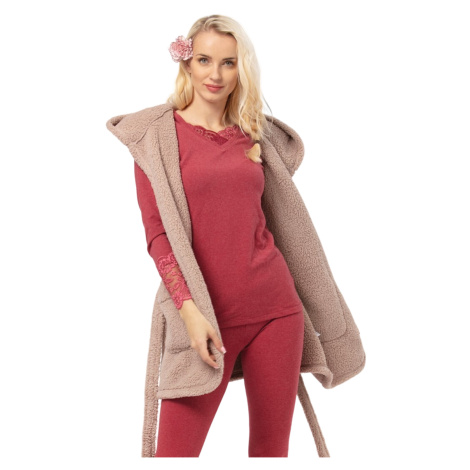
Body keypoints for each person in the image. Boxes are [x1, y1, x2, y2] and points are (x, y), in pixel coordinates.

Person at [106, 14, 366, 459]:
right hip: (204, 317)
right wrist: (190, 313)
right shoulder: (154, 137)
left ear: (241, 68)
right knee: (173, 456)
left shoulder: (253, 133)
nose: (216, 74)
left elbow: (279, 214)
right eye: (205, 60)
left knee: (270, 452)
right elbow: (158, 237)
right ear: (186, 63)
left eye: (228, 63)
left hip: (275, 311)